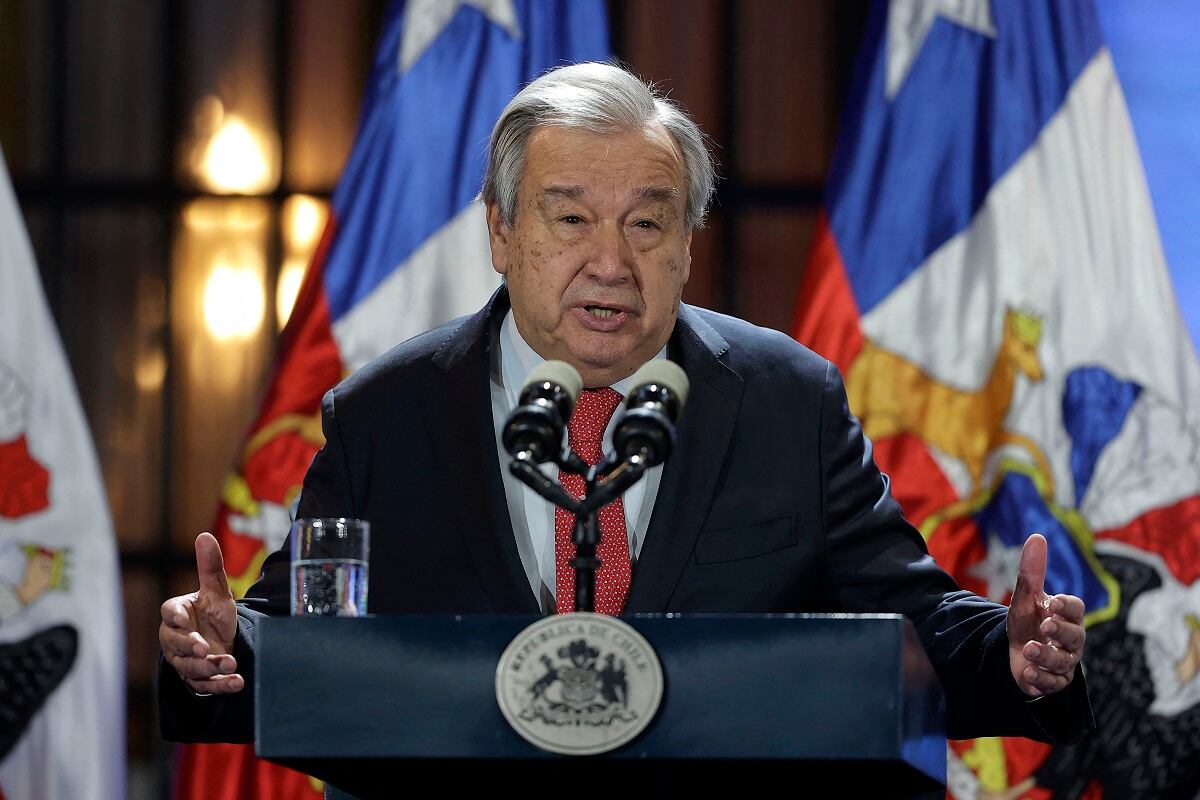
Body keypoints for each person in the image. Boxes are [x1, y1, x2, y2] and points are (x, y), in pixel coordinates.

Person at [158, 63, 1093, 745]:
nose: (611, 262)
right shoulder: (389, 414)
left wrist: (1012, 661)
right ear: (501, 231)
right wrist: (216, 648)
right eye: (570, 219)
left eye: (647, 223)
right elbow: (292, 644)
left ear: (687, 245)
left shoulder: (784, 404)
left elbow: (912, 619)